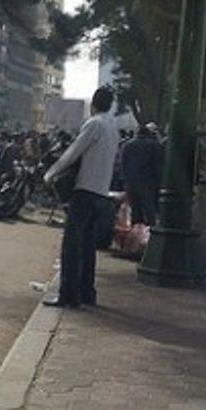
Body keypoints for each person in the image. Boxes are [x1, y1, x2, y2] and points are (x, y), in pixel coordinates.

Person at [43, 87, 120, 308]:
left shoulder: (94, 124)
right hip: (101, 191)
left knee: (72, 245)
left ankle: (68, 295)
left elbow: (73, 153)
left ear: (93, 104)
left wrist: (51, 173)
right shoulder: (113, 128)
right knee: (88, 245)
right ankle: (87, 292)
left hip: (84, 189)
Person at [121, 124, 164, 226]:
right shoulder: (154, 145)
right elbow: (158, 165)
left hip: (131, 183)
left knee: (135, 210)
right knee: (149, 210)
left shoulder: (127, 145)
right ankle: (150, 230)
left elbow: (123, 165)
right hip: (148, 182)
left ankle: (136, 231)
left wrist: (125, 181)